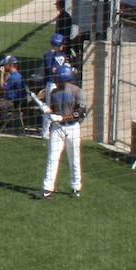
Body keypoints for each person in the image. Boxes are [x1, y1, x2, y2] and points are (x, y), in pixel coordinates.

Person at [36, 65, 85, 199]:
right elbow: (53, 111)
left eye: (57, 78)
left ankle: (76, 188)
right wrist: (48, 111)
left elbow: (79, 113)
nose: (55, 81)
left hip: (73, 128)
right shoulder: (53, 93)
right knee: (52, 158)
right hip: (57, 128)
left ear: (64, 78)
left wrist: (61, 117)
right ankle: (47, 189)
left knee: (74, 158)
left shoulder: (77, 92)